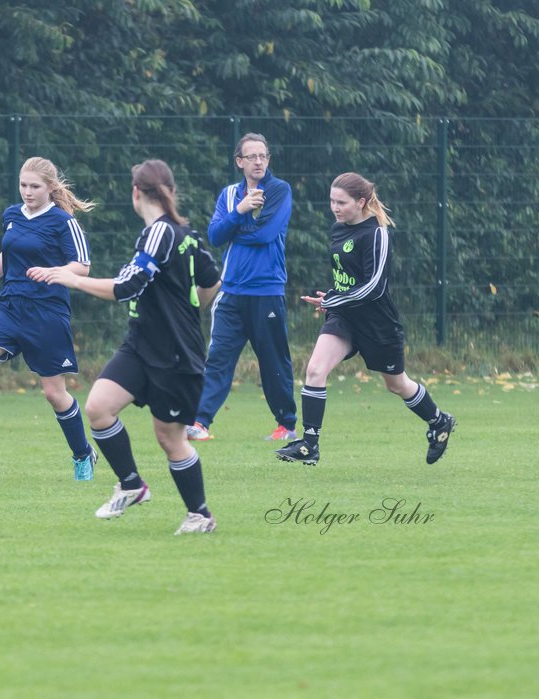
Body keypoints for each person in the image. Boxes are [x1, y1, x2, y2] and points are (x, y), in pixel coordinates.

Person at [29, 159, 223, 534]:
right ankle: (132, 485)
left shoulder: (163, 234)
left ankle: (200, 515)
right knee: (99, 408)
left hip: (175, 353)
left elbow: (124, 287)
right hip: (140, 344)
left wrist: (69, 278)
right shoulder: (185, 233)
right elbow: (212, 283)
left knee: (170, 439)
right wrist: (186, 302)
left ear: (136, 193)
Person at [275, 171, 457, 466]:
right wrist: (331, 298)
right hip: (344, 317)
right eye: (332, 201)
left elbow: (374, 287)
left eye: (342, 202)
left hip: (377, 323)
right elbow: (347, 278)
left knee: (396, 385)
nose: (335, 208)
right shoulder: (338, 228)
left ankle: (439, 422)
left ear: (361, 202)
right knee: (315, 370)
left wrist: (335, 298)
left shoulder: (377, 234)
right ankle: (309, 445)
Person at [0, 156, 99, 480]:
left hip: (47, 314)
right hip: (10, 308)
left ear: (50, 187)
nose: (28, 192)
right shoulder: (12, 215)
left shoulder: (63, 222)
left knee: (53, 393)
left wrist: (52, 271)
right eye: (23, 185)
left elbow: (83, 266)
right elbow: (9, 253)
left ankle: (83, 454)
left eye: (35, 186)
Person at [187, 132, 298, 444]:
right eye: (251, 156)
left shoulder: (279, 190)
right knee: (218, 358)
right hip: (232, 292)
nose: (258, 161)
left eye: (263, 155)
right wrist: (239, 211)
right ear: (239, 162)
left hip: (267, 291)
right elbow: (215, 236)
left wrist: (235, 227)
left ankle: (286, 425)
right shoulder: (229, 195)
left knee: (274, 361)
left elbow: (265, 235)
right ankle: (200, 422)